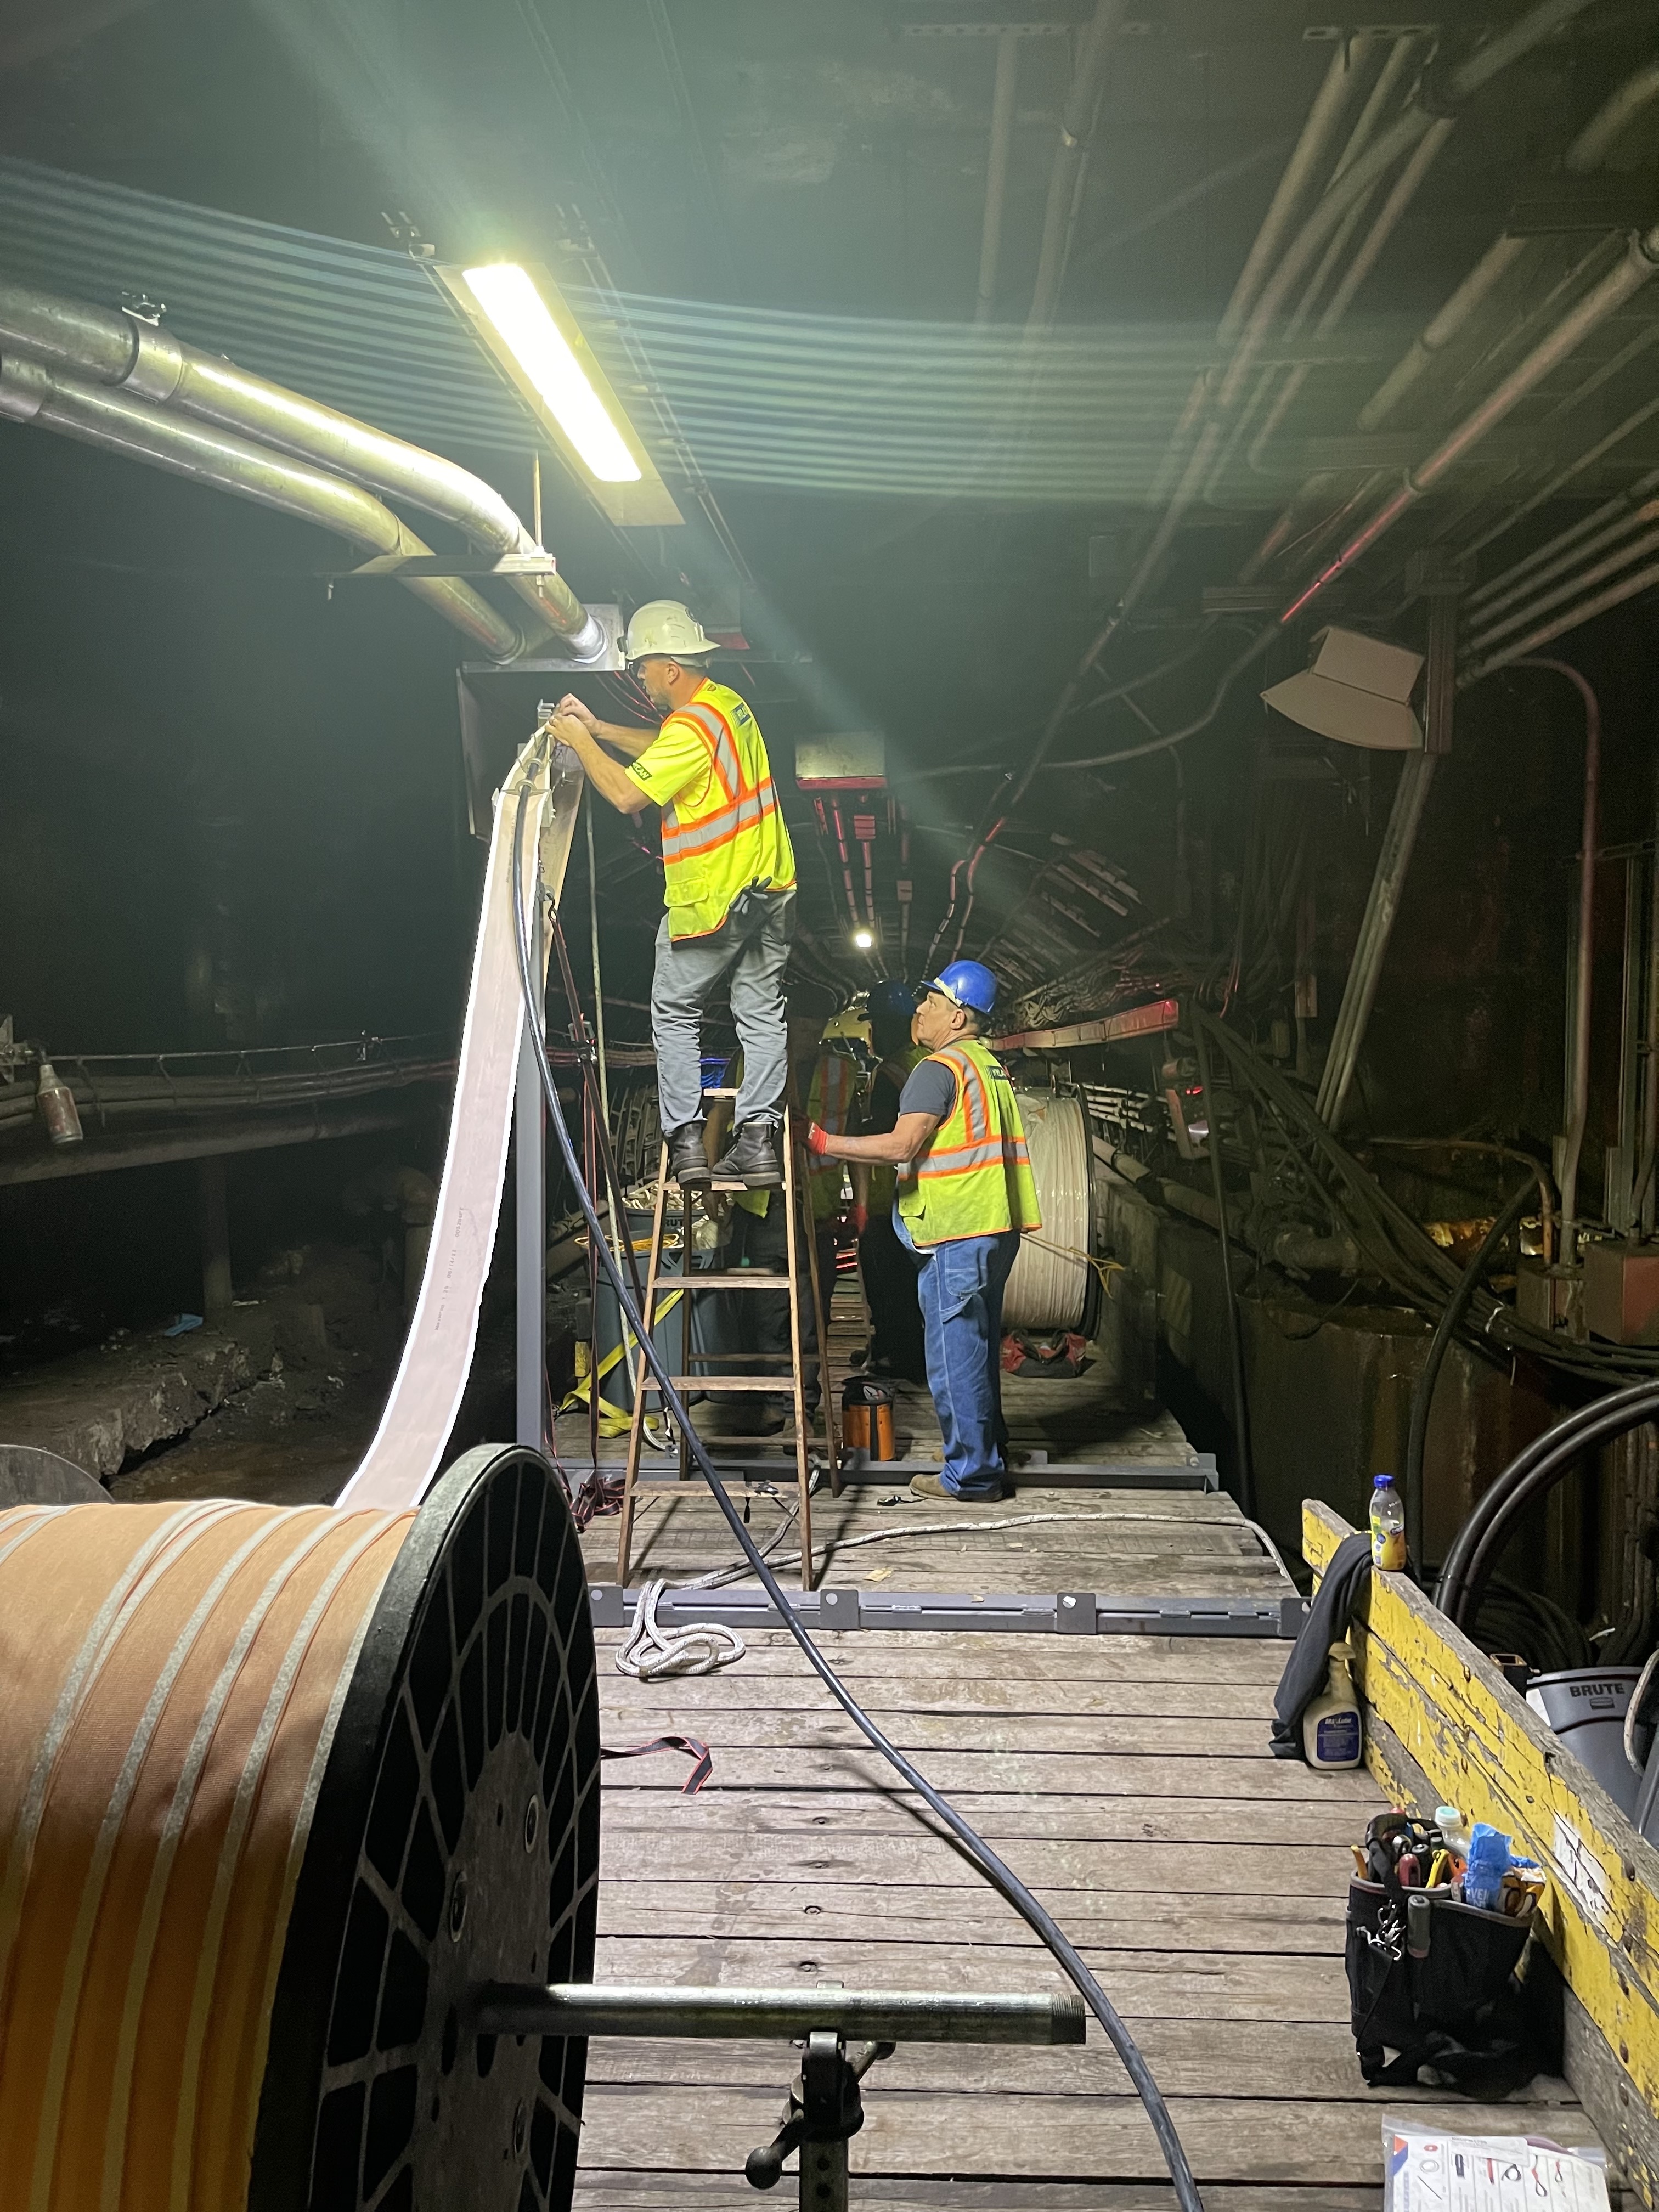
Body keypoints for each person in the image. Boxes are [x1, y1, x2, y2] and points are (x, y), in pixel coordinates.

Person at [548, 601, 795, 1193]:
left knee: (675, 1011)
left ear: (670, 669)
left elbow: (628, 796)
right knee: (761, 1016)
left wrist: (579, 741)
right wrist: (603, 729)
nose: (640, 680)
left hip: (714, 899)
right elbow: (668, 746)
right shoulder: (726, 706)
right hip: (772, 890)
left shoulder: (689, 726)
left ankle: (685, 1140)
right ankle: (758, 1140)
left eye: (643, 669)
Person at [805, 961, 1040, 1502]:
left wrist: (822, 1142)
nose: (919, 1010)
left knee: (953, 1355)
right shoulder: (987, 1065)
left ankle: (972, 1476)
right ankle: (982, 1448)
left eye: (930, 1002)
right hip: (994, 1228)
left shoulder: (938, 1069)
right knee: (977, 1347)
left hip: (956, 1230)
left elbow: (899, 1147)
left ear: (957, 1016)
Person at [857, 980, 927, 1385]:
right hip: (930, 1196)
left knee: (886, 1277)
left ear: (887, 1026)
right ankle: (901, 1348)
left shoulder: (891, 1071)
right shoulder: (930, 1059)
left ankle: (894, 1353)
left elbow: (883, 1137)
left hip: (895, 1197)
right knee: (916, 1282)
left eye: (877, 1025)